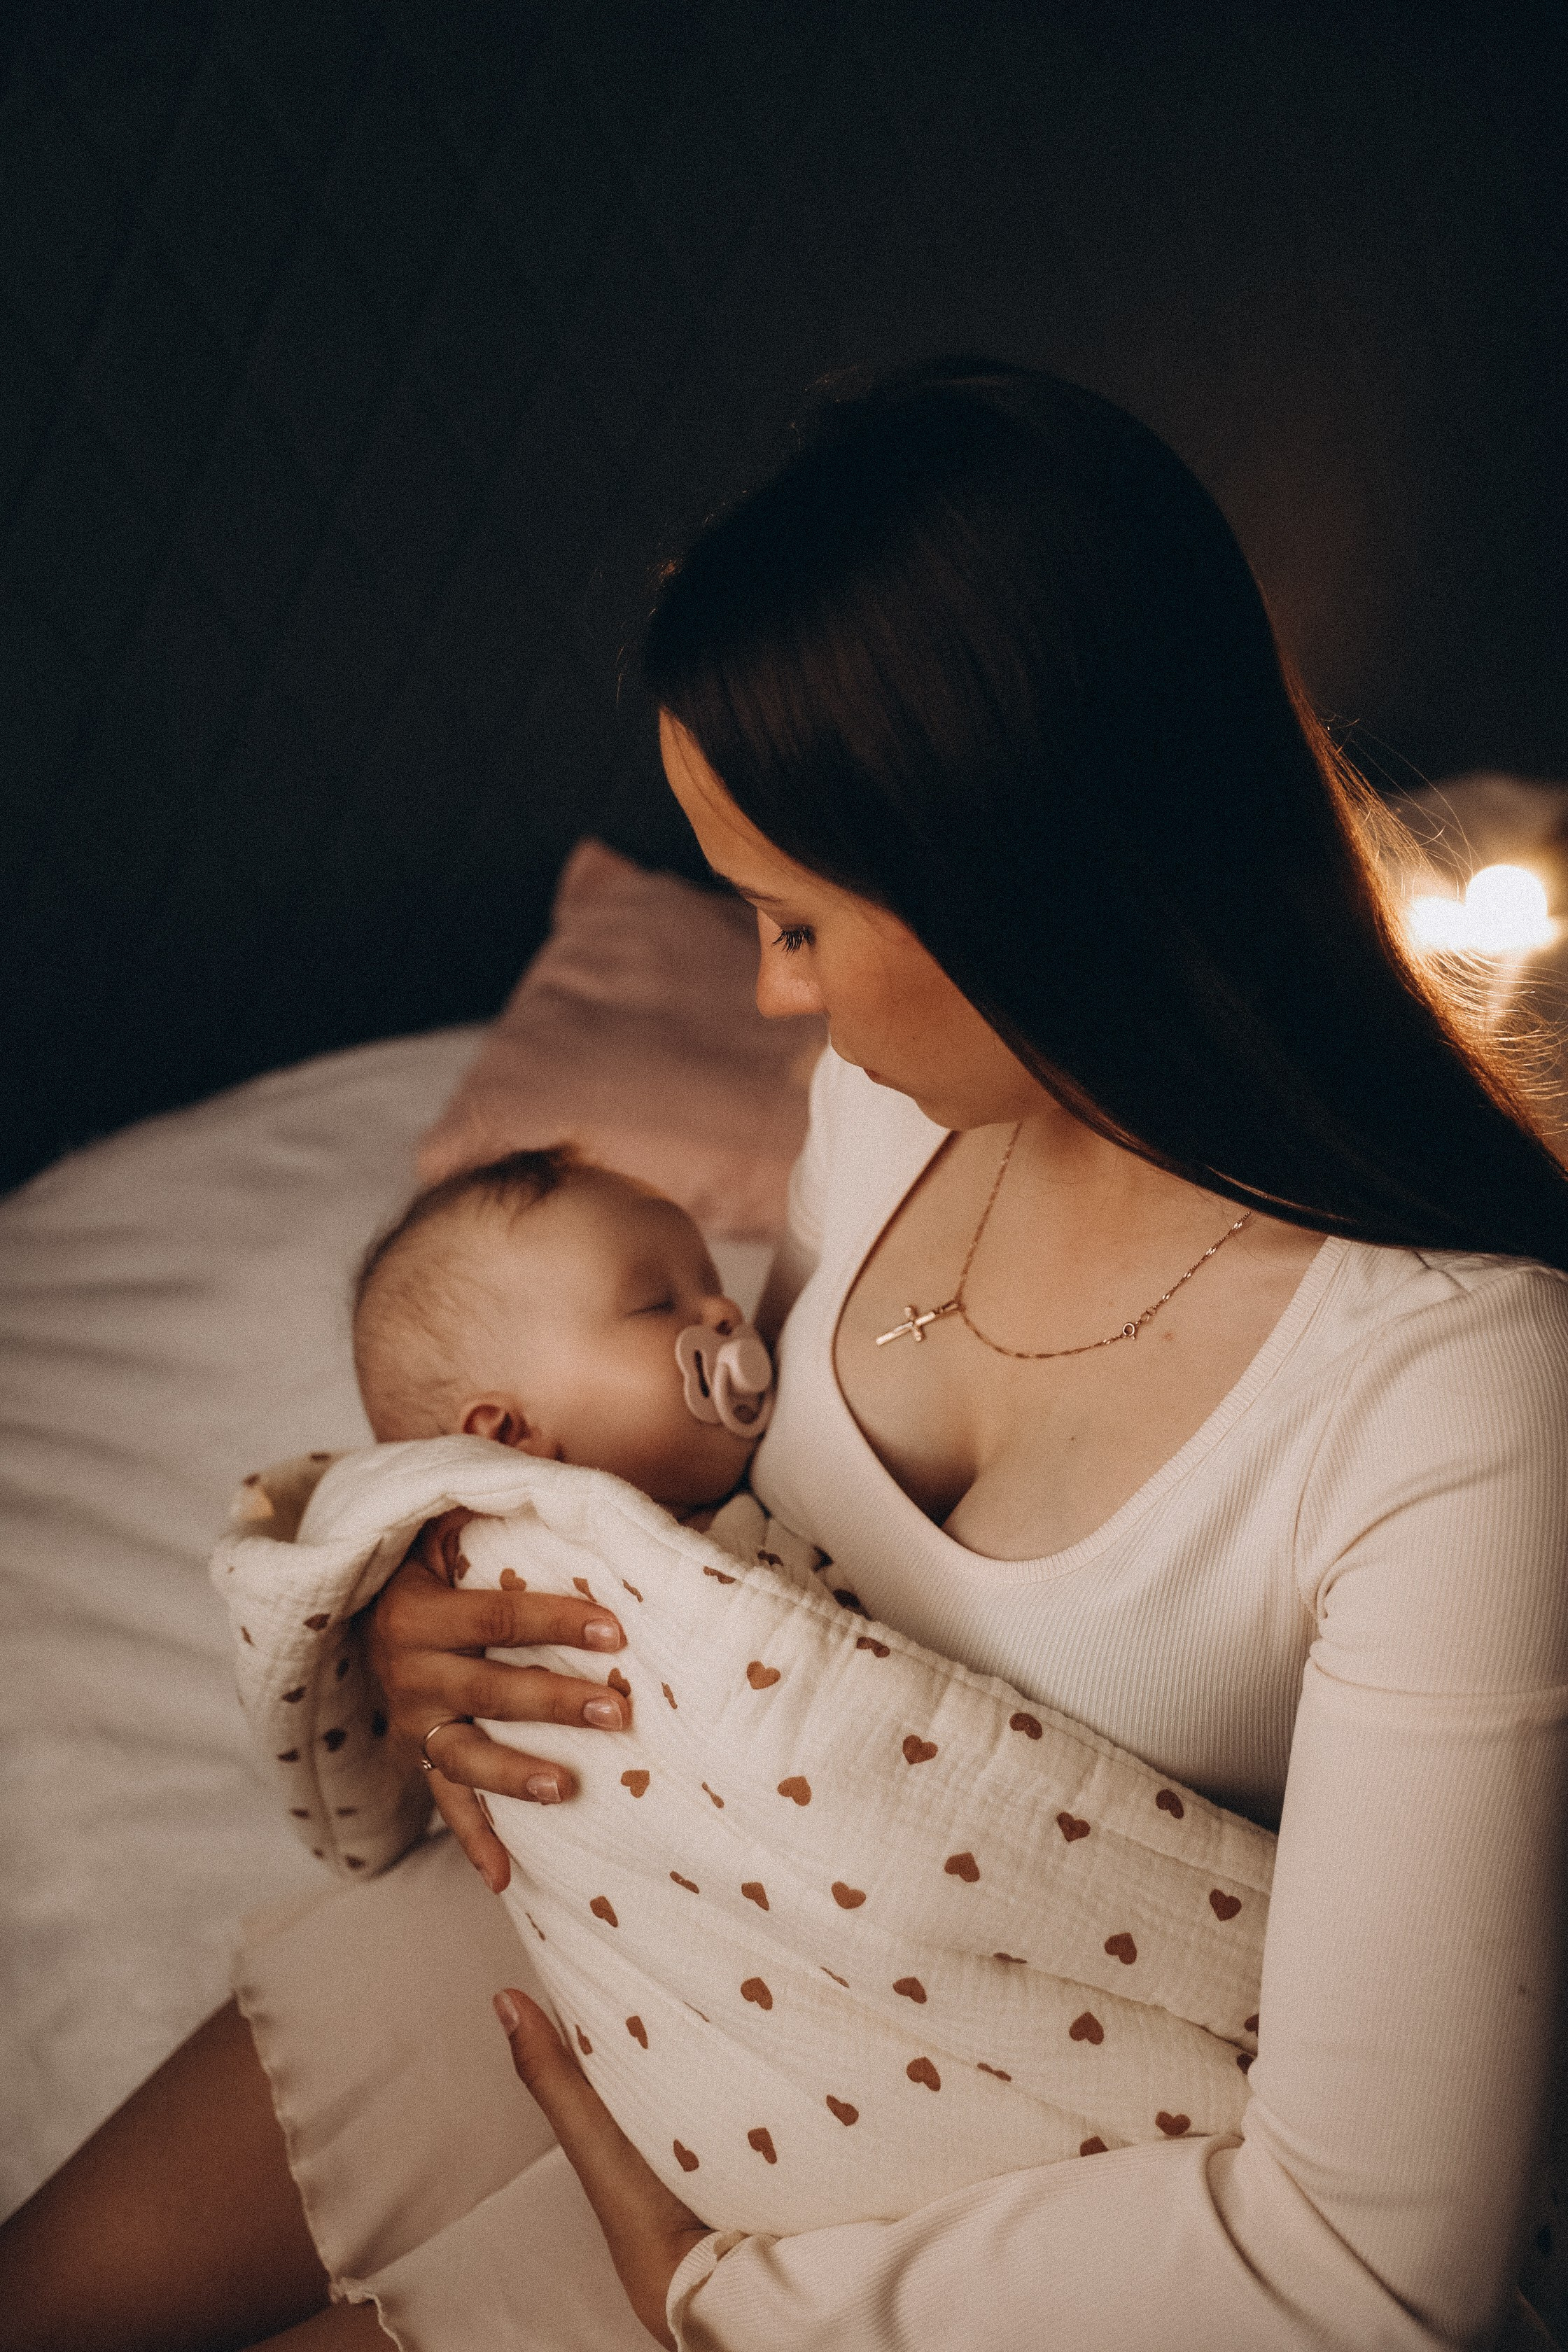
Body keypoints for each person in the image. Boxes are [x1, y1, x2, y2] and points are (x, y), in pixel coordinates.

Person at [4, 354, 1567, 2351]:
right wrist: (448, 1603)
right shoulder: (888, 1115)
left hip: (979, 2210)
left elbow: (1370, 2256)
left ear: (1018, 885)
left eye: (794, 922)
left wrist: (741, 2307)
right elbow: (728, 1510)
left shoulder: (1462, 1405)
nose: (767, 993)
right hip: (640, 1927)